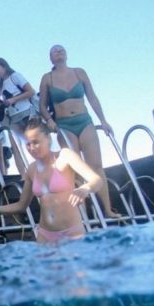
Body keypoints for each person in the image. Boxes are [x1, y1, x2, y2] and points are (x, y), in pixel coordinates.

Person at [0, 117, 103, 244]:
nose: (31, 148)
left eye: (36, 142)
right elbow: (21, 205)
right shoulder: (31, 169)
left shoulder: (65, 156)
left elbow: (97, 180)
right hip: (45, 235)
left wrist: (85, 188)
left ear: (48, 139)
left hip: (72, 233)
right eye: (28, 144)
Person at [39, 44, 118, 218]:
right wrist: (49, 120)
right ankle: (83, 213)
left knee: (96, 166)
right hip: (64, 125)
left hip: (84, 121)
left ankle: (107, 209)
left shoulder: (79, 72)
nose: (59, 51)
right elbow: (41, 105)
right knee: (74, 169)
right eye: (54, 51)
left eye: (61, 49)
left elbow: (92, 97)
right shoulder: (47, 78)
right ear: (50, 58)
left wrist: (103, 121)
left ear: (66, 54)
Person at [0, 57, 35, 174]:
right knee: (16, 147)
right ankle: (23, 175)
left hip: (25, 112)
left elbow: (31, 91)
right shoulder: (1, 85)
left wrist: (13, 99)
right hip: (13, 117)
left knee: (34, 143)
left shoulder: (15, 76)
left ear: (4, 66)